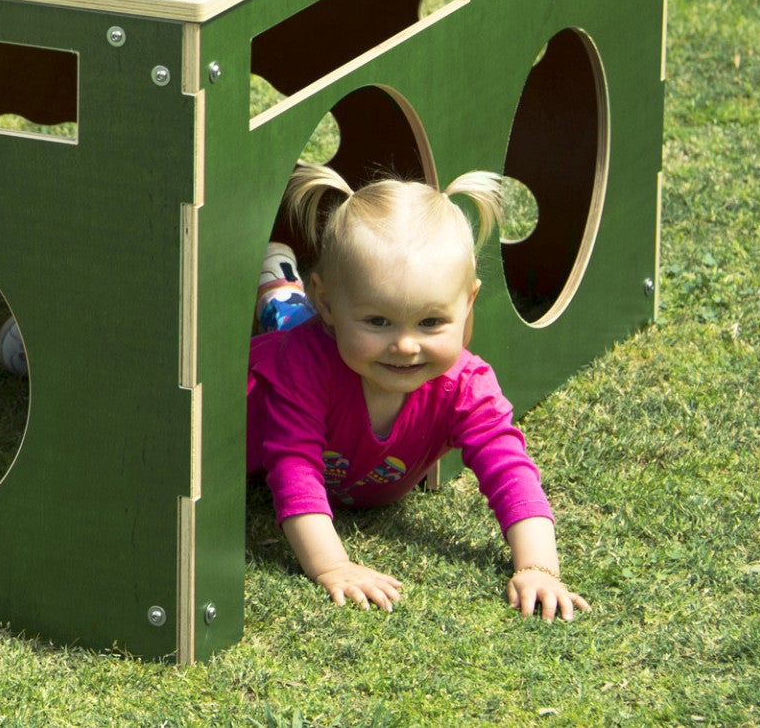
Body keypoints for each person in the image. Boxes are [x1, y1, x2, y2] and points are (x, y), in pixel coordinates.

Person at [249, 163, 591, 619]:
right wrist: (333, 566)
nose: (406, 345)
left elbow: (510, 469)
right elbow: (293, 469)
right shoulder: (302, 367)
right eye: (378, 320)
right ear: (328, 301)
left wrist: (539, 568)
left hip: (331, 338)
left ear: (468, 302)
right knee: (287, 320)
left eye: (430, 322)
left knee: (306, 323)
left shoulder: (466, 386)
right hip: (292, 353)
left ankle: (290, 291)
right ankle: (278, 282)